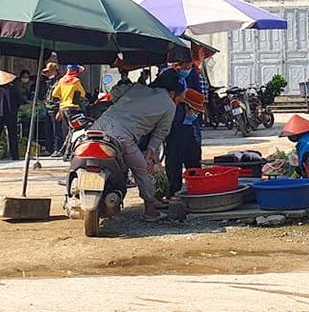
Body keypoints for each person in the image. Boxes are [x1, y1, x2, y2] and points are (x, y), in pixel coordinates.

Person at [92, 68, 179, 221]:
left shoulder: (137, 88)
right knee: (141, 171)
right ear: (172, 92)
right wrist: (151, 151)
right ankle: (150, 211)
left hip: (98, 126)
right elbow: (162, 132)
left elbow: (114, 93)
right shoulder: (170, 105)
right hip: (121, 136)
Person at [164, 57, 207, 196]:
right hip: (174, 124)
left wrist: (193, 109)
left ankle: (196, 189)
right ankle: (174, 191)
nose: (188, 69)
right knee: (174, 159)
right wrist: (176, 99)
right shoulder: (168, 75)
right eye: (186, 66)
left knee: (193, 156)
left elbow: (199, 94)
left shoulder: (193, 74)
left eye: (190, 66)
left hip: (190, 122)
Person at [51, 64, 87, 152]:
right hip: (72, 108)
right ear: (75, 71)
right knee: (73, 130)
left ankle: (64, 151)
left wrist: (64, 97)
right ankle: (67, 152)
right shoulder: (76, 81)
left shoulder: (61, 80)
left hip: (63, 108)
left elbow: (54, 94)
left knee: (69, 130)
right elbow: (82, 94)